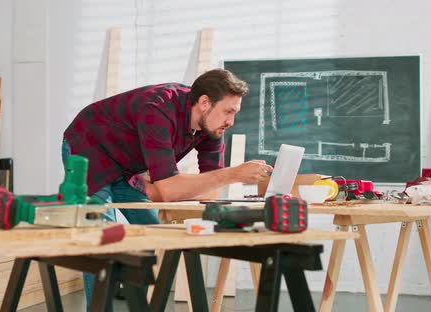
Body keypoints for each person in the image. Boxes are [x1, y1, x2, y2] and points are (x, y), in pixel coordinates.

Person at [62, 68, 273, 310]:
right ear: (204, 103)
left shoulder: (212, 128)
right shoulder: (159, 108)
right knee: (100, 238)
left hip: (128, 166)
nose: (231, 121)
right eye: (228, 111)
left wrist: (162, 188)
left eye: (234, 113)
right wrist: (232, 174)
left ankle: (137, 304)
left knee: (153, 231)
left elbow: (209, 188)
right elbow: (173, 190)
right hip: (89, 146)